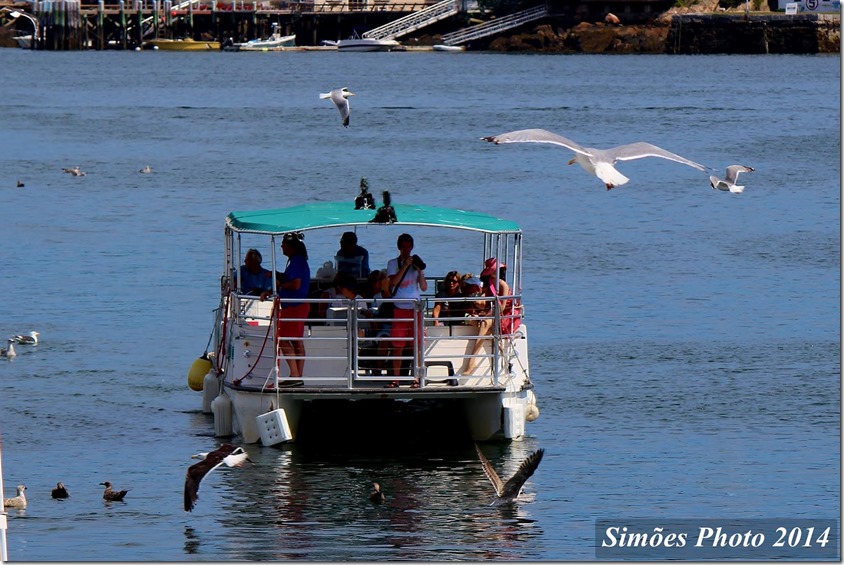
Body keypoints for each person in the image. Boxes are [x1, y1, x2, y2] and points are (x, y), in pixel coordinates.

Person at [262, 232, 310, 385]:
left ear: (290, 246)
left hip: (294, 306)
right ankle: (298, 376)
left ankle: (295, 375)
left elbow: (296, 284)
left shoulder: (297, 261)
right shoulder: (296, 261)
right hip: (298, 305)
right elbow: (291, 279)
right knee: (296, 341)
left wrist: (280, 284)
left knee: (282, 340)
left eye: (283, 244)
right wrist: (276, 277)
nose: (281, 246)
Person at [385, 233, 427, 386]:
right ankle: (395, 379)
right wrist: (404, 266)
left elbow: (423, 287)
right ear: (399, 247)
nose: (406, 250)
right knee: (398, 347)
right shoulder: (392, 263)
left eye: (408, 247)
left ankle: (417, 379)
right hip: (400, 308)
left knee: (417, 346)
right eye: (403, 247)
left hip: (416, 309)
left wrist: (419, 270)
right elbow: (394, 281)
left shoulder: (416, 264)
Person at [479, 257, 521, 335]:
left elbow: (502, 307)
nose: (495, 272)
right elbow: (487, 303)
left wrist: (487, 315)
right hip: (494, 313)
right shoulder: (490, 284)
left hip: (505, 316)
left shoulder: (503, 285)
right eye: (494, 270)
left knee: (484, 323)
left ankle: (476, 347)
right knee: (476, 320)